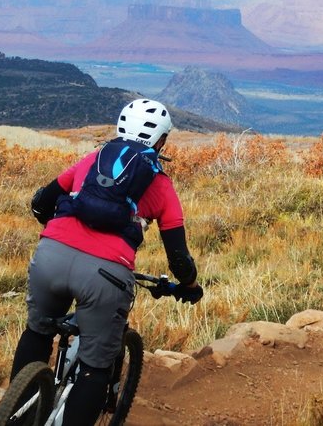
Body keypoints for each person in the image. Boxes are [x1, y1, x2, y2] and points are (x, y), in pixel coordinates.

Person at [10, 98, 203, 425]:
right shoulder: (161, 185)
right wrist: (190, 286)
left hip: (50, 255)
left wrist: (58, 231)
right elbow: (179, 258)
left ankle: (18, 417)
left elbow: (42, 202)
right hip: (106, 274)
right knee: (95, 368)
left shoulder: (92, 160)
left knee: (38, 333)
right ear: (161, 141)